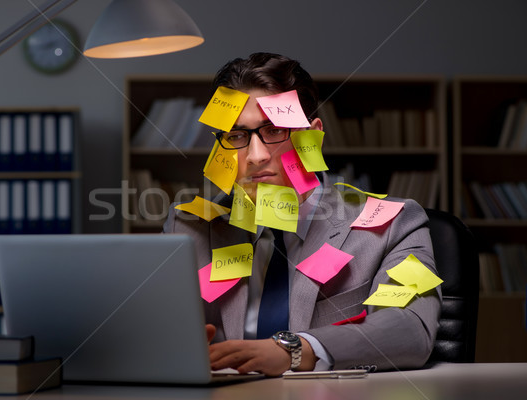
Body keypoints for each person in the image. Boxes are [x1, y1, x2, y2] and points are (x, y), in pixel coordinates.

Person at [162, 52, 441, 376]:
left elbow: (411, 329)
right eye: (236, 136)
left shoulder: (394, 224)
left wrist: (296, 350)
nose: (255, 155)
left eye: (274, 130)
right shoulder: (190, 228)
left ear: (313, 136)